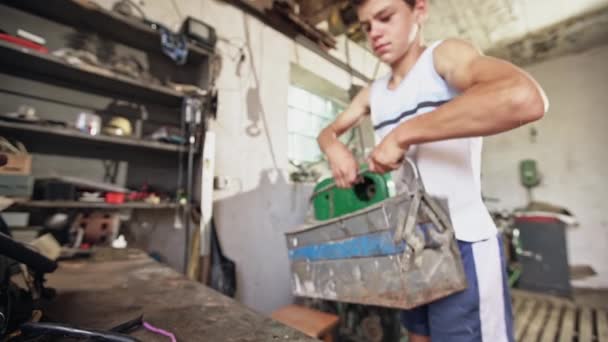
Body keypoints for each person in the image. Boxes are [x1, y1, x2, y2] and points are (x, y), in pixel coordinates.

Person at [316, 0, 548, 341]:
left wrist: (403, 134)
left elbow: (525, 97)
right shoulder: (373, 93)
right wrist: (332, 146)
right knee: (417, 337)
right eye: (366, 26)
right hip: (413, 248)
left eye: (385, 17)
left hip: (463, 243)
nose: (374, 32)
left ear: (419, 11)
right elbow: (327, 131)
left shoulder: (443, 59)